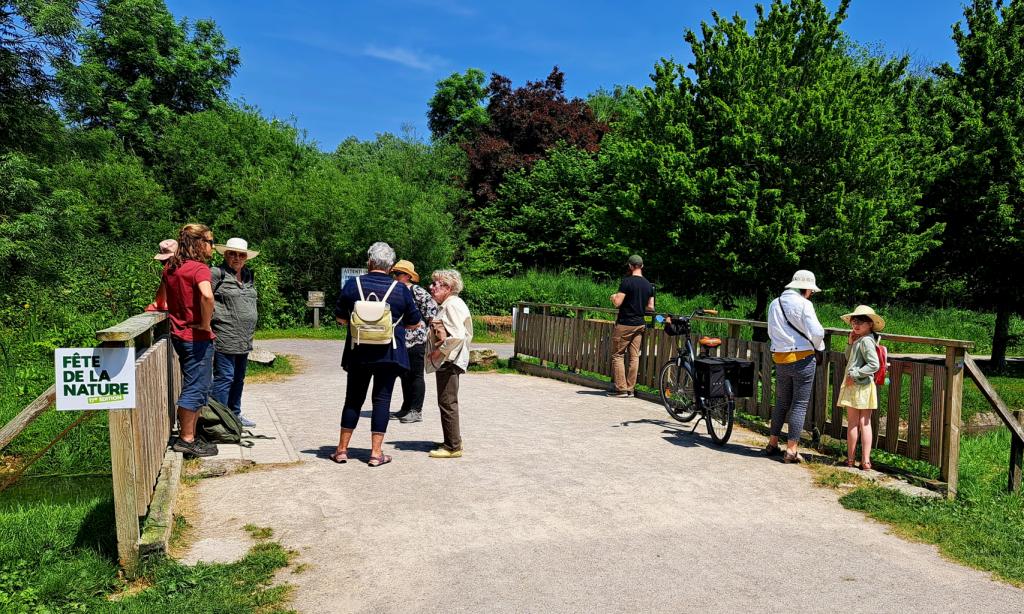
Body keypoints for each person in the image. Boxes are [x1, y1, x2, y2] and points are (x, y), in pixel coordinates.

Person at [331, 242, 422, 467]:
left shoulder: (353, 285)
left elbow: (340, 318)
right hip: (388, 354)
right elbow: (414, 323)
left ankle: (342, 450)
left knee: (353, 399)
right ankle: (376, 453)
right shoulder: (400, 289)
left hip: (358, 352)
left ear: (369, 262)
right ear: (390, 266)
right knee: (382, 401)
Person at [150, 224, 218, 457]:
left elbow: (160, 300)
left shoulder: (171, 267)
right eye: (210, 242)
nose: (212, 247)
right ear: (198, 243)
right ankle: (187, 439)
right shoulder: (199, 269)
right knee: (196, 387)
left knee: (197, 384)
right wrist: (206, 323)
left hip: (179, 335)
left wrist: (160, 308)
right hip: (196, 337)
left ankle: (192, 435)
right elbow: (207, 296)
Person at [765, 270, 825, 463]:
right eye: (811, 291)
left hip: (781, 358)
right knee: (799, 404)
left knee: (782, 401)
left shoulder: (775, 303)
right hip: (803, 359)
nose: (811, 294)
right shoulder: (805, 304)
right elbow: (817, 331)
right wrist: (819, 346)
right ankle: (791, 449)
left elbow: (770, 331)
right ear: (806, 288)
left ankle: (772, 442)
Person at [210, 237, 260, 428]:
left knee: (239, 379)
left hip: (244, 338)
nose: (237, 258)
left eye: (241, 255)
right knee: (224, 378)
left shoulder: (248, 275)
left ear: (246, 257)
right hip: (224, 335)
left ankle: (234, 414)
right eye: (232, 254)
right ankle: (219, 420)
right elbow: (203, 298)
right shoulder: (216, 273)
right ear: (225, 254)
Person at [425, 269, 473, 458]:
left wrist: (439, 350)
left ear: (447, 287)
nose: (431, 287)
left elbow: (458, 335)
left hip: (450, 360)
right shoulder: (450, 303)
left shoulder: (452, 305)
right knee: (446, 400)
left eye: (435, 284)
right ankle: (452, 440)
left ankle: (452, 447)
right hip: (449, 359)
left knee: (447, 401)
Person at [389, 259, 438, 424]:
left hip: (416, 339)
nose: (394, 276)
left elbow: (432, 309)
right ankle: (406, 408)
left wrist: (428, 331)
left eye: (398, 273)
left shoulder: (416, 290)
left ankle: (416, 410)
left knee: (416, 375)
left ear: (407, 276)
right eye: (394, 273)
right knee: (404, 374)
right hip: (401, 339)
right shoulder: (394, 290)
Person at [838, 305, 884, 471]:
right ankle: (864, 461)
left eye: (861, 321)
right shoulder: (863, 339)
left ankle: (852, 459)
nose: (856, 324)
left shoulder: (865, 341)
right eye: (854, 321)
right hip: (863, 386)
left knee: (855, 423)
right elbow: (849, 357)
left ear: (870, 324)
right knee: (864, 423)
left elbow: (874, 364)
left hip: (858, 385)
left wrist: (854, 374)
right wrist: (850, 343)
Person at [608, 254, 655, 397]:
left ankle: (621, 389)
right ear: (642, 266)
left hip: (625, 324)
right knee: (634, 357)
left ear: (630, 266)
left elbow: (618, 303)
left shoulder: (626, 282)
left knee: (618, 355)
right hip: (640, 324)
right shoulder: (649, 285)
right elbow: (651, 307)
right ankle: (630, 389)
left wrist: (613, 297)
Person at [145, 239, 178, 312]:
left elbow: (160, 301)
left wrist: (158, 304)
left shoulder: (169, 271)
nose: (162, 262)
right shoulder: (195, 266)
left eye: (164, 260)